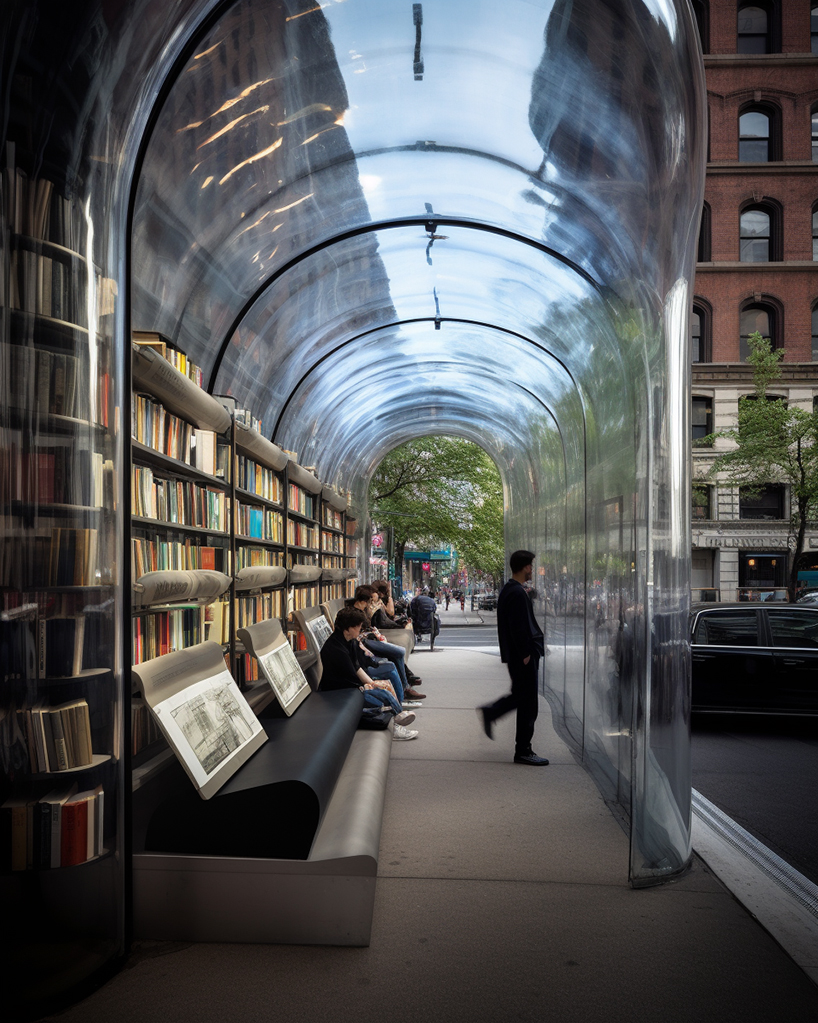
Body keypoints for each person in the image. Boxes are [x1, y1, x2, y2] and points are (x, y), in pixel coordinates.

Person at [477, 550, 549, 766]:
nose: (532, 570)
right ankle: (523, 750)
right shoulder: (517, 593)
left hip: (519, 656)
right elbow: (518, 628)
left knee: (521, 696)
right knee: (528, 703)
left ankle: (492, 713)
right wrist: (526, 653)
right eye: (530, 566)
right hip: (524, 657)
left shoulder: (512, 590)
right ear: (524, 567)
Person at [320, 606, 418, 741]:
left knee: (383, 691)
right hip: (337, 692)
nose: (360, 629)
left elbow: (356, 667)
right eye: (358, 626)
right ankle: (396, 722)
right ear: (347, 628)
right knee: (379, 698)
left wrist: (371, 683)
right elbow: (350, 677)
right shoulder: (335, 649)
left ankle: (398, 717)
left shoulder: (349, 642)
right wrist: (368, 686)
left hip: (349, 688)